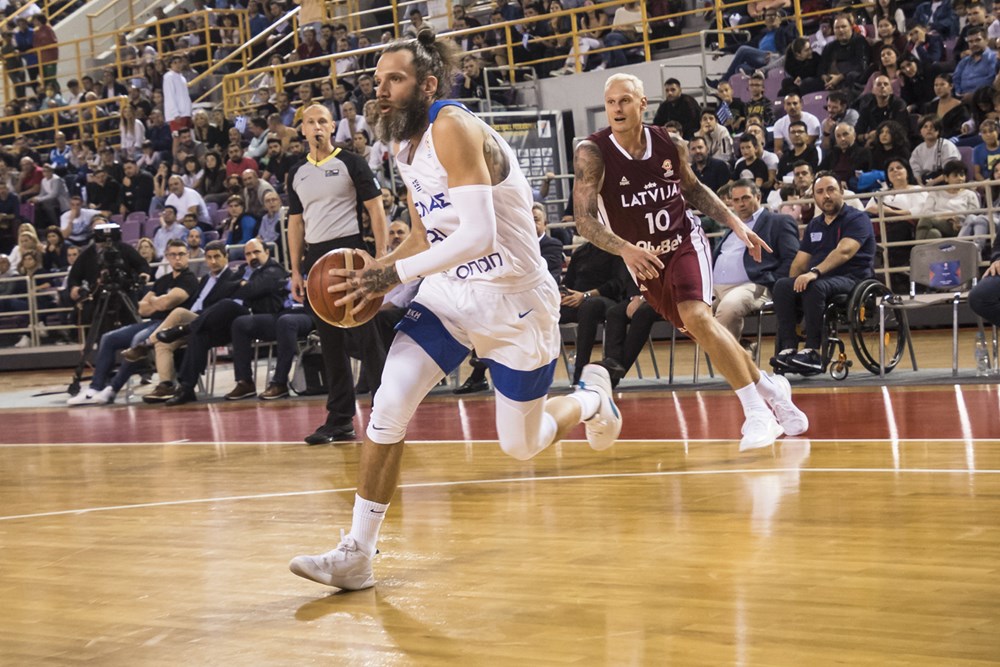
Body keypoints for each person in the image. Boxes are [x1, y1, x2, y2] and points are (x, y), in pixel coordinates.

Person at [288, 30, 627, 591]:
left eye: (394, 80)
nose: (382, 91)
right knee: (387, 406)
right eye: (376, 81)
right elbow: (427, 233)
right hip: (449, 297)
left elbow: (477, 235)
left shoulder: (453, 125)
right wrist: (383, 279)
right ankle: (357, 553)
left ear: (428, 84)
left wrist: (389, 274)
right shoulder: (403, 145)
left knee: (521, 444)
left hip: (515, 301)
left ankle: (592, 399)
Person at [573, 73, 808, 453]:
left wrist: (735, 223)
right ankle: (772, 390)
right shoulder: (593, 152)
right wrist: (625, 250)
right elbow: (583, 219)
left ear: (642, 103)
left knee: (699, 317)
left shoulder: (669, 143)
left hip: (683, 242)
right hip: (644, 261)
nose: (616, 108)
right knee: (703, 332)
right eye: (611, 102)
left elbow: (694, 189)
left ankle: (756, 412)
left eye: (625, 101)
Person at [286, 103, 389, 446]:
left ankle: (385, 409)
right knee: (329, 342)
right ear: (302, 130)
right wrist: (295, 270)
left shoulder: (351, 162)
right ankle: (340, 418)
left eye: (322, 121)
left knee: (367, 336)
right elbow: (295, 222)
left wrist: (381, 257)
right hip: (316, 259)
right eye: (310, 122)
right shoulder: (296, 172)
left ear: (332, 128)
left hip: (349, 252)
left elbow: (376, 208)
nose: (316, 127)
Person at [67, 239, 198, 405]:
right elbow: (141, 308)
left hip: (173, 326)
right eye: (173, 255)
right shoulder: (163, 280)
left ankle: (112, 390)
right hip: (154, 321)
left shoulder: (189, 279)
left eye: (181, 254)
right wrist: (158, 301)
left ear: (187, 256)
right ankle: (95, 387)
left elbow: (166, 303)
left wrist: (155, 301)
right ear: (167, 257)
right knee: (108, 338)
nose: (177, 258)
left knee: (137, 340)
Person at [770, 172, 876, 374]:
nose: (825, 196)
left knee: (815, 286)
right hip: (819, 280)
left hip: (852, 280)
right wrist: (792, 286)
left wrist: (814, 273)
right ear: (815, 197)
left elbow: (844, 252)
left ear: (842, 192)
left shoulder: (857, 219)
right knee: (782, 285)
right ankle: (789, 347)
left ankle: (813, 351)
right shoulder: (815, 225)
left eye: (830, 190)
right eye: (820, 192)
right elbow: (800, 263)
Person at [163, 239, 288, 405]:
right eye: (248, 254)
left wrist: (240, 287)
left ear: (267, 252)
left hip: (264, 318)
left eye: (256, 252)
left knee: (227, 304)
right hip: (236, 321)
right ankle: (186, 388)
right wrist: (240, 284)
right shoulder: (244, 270)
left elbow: (253, 289)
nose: (252, 256)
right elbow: (223, 289)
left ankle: (185, 328)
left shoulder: (274, 270)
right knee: (199, 334)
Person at [712, 179, 799, 345]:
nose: (741, 204)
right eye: (736, 200)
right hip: (716, 288)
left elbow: (792, 259)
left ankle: (735, 361)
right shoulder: (732, 227)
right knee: (694, 311)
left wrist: (774, 282)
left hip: (752, 284)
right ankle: (742, 350)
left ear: (758, 197)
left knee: (728, 310)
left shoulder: (778, 221)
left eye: (745, 198)